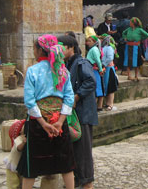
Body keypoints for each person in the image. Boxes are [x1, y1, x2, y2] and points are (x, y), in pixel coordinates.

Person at [17, 35, 75, 189]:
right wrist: (60, 122)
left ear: (39, 50)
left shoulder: (32, 71)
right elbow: (69, 98)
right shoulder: (63, 71)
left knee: (31, 166)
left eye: (34, 48)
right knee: (66, 163)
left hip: (38, 123)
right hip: (59, 123)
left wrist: (43, 123)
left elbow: (30, 101)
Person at [57, 35, 97, 189]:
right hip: (73, 115)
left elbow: (90, 81)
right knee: (74, 150)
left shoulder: (81, 63)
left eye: (62, 48)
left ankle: (87, 183)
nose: (59, 51)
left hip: (83, 114)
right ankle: (77, 181)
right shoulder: (67, 64)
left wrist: (77, 96)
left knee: (83, 152)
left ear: (70, 47)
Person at [85, 36, 104, 111]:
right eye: (87, 41)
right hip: (93, 69)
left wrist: (100, 70)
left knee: (96, 87)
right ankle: (98, 106)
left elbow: (98, 60)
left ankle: (96, 106)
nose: (87, 43)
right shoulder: (93, 49)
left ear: (94, 42)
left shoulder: (94, 49)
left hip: (94, 70)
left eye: (89, 41)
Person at [101, 34, 119, 111]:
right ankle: (107, 103)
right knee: (106, 86)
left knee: (111, 86)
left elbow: (110, 58)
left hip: (109, 69)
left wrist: (103, 64)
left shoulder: (109, 48)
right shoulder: (103, 48)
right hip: (105, 69)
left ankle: (110, 104)